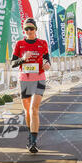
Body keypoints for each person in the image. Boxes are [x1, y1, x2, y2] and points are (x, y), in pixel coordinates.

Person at [11, 18, 50, 153]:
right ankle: (30, 136)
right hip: (24, 80)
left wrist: (47, 65)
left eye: (31, 28)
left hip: (39, 79)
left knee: (34, 109)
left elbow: (47, 59)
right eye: (26, 29)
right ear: (24, 30)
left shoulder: (42, 43)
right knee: (27, 111)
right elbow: (12, 63)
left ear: (35, 29)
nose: (29, 31)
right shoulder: (20, 44)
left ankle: (33, 142)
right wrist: (23, 59)